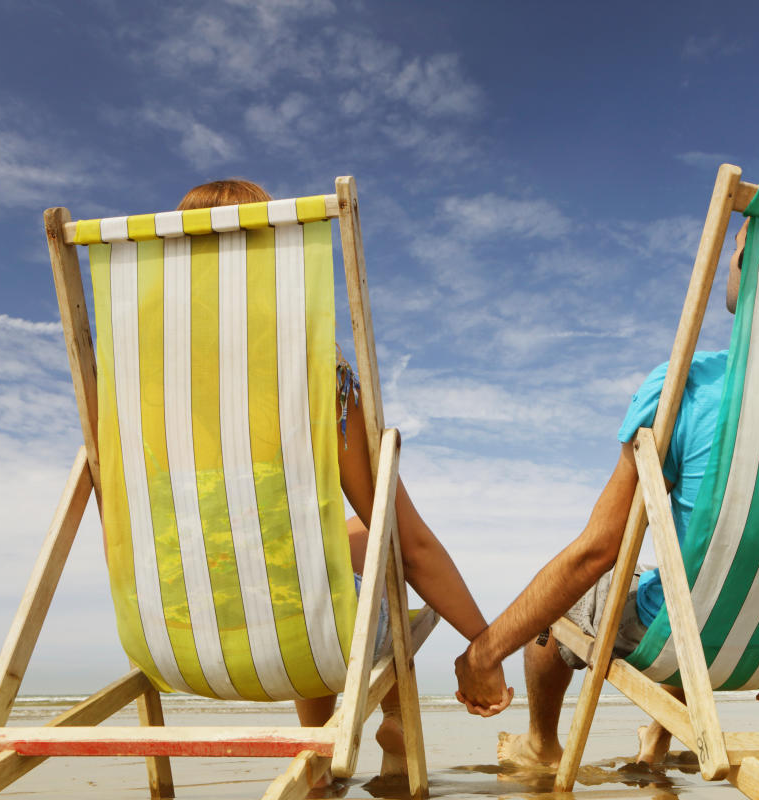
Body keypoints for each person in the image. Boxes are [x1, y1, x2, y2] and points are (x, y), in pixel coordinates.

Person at [454, 184, 759, 768]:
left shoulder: (688, 387)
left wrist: (483, 654)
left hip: (686, 643)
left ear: (754, 265)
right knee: (687, 573)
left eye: (739, 248)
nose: (731, 262)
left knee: (572, 603)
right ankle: (658, 738)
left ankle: (541, 747)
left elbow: (598, 551)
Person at [177, 180, 513, 779]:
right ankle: (397, 727)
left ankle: (317, 745)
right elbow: (411, 544)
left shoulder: (136, 384)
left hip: (185, 628)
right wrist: (485, 648)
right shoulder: (313, 372)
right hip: (298, 626)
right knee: (379, 540)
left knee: (334, 538)